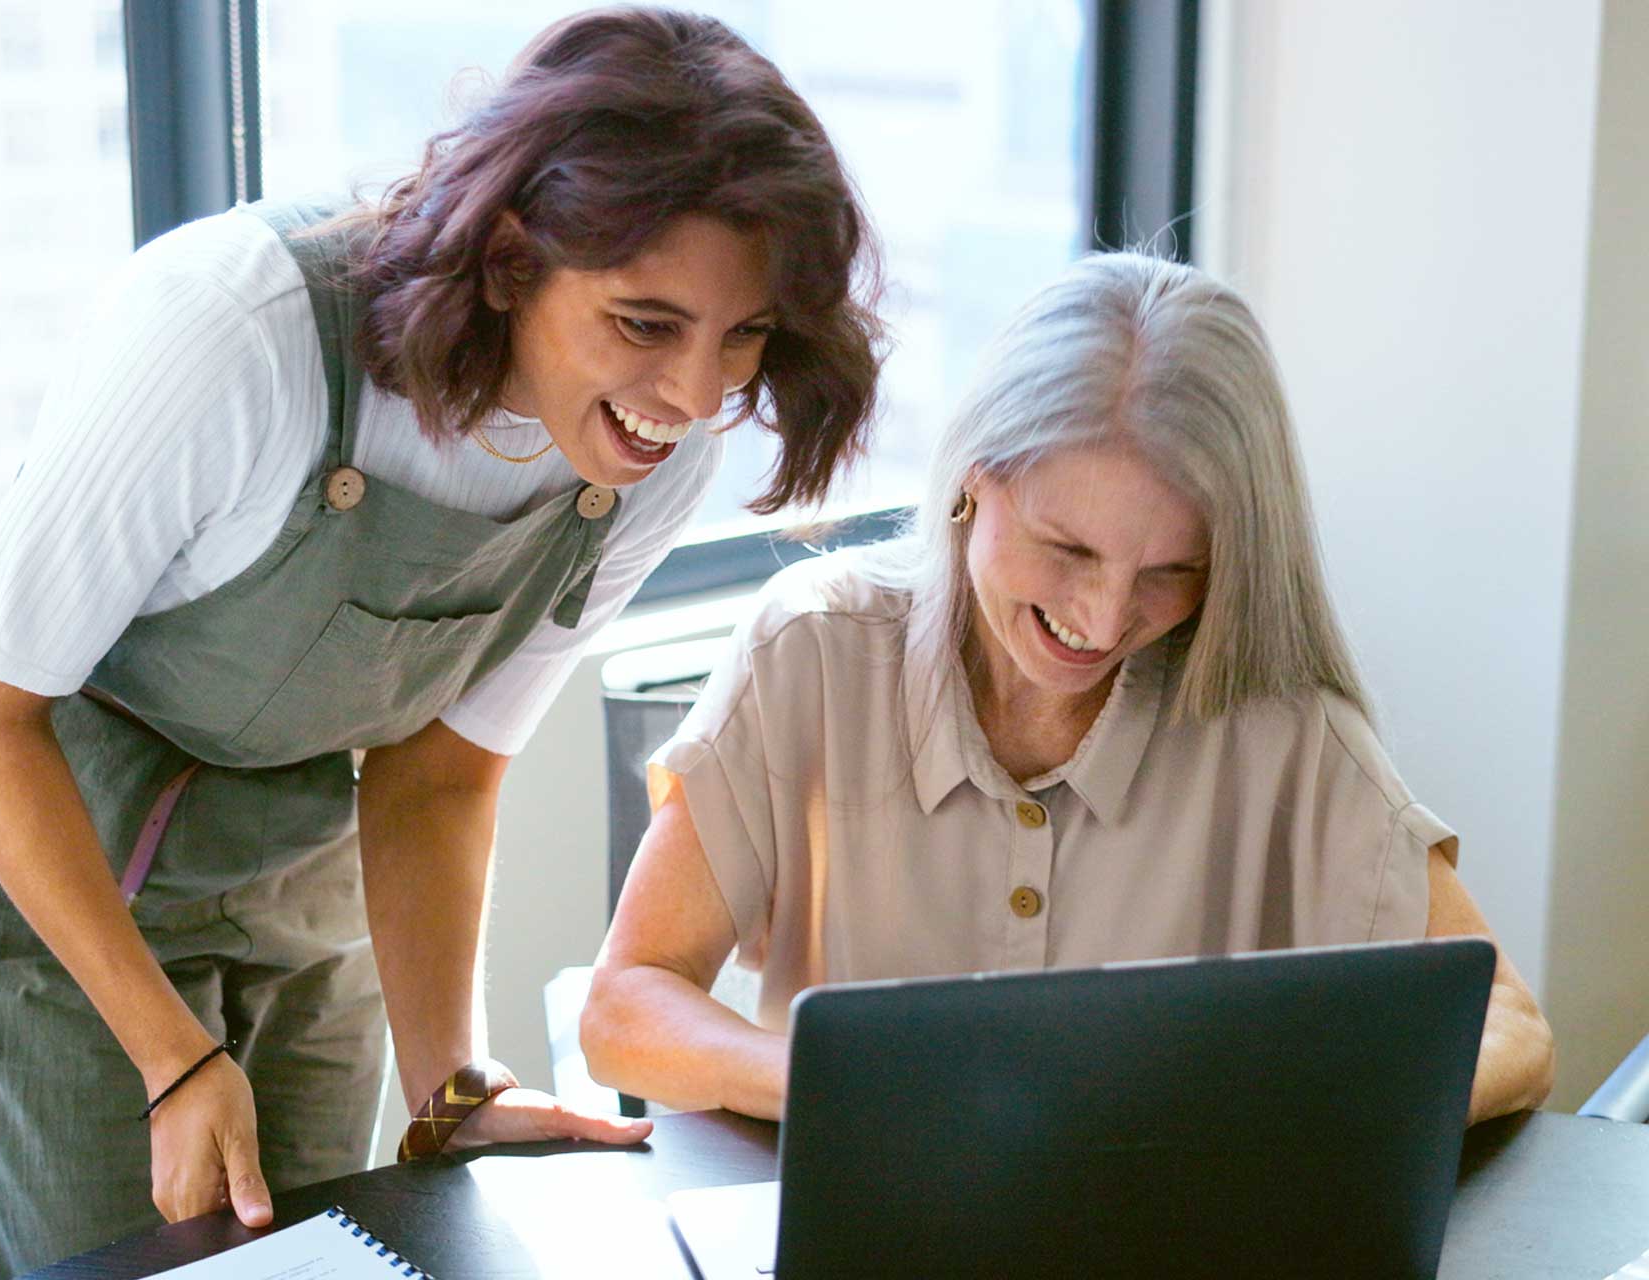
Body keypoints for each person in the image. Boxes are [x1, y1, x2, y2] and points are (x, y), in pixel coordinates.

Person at [0, 8, 883, 1276]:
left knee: (336, 1251)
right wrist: (172, 1055)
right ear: (513, 257)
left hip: (306, 871)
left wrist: (453, 1085)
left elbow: (439, 774)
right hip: (53, 848)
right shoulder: (237, 330)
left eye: (741, 333)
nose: (695, 396)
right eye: (645, 323)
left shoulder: (648, 454)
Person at [581, 252, 1557, 1126]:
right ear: (973, 482)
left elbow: (1512, 1027)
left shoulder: (1281, 726)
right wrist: (854, 1086)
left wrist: (1287, 1111)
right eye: (1068, 548)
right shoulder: (812, 648)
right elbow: (625, 1004)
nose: (1104, 616)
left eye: (1171, 571)